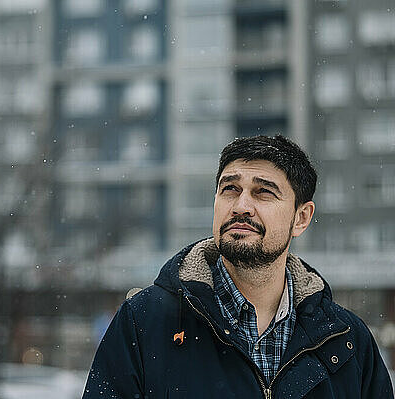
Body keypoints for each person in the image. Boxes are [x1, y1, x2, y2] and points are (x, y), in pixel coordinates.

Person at [82, 135, 393, 399]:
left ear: (301, 218)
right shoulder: (145, 322)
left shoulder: (346, 340)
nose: (241, 206)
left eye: (264, 192)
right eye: (230, 189)